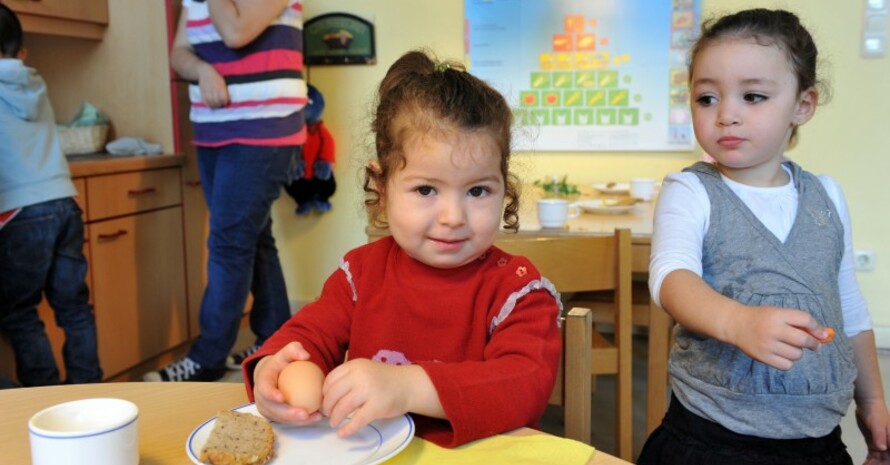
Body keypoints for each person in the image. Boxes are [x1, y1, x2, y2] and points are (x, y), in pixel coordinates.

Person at [240, 50, 563, 447]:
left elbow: (525, 383)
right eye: (426, 189)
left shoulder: (518, 290)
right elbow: (309, 334)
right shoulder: (359, 274)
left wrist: (409, 387)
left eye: (478, 190)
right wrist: (274, 368)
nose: (453, 216)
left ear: (504, 189)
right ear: (382, 187)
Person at [641, 8, 890, 465]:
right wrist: (738, 322)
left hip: (817, 440)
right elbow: (670, 278)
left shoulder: (827, 195)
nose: (726, 116)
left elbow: (849, 307)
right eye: (706, 99)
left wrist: (871, 401)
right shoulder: (691, 190)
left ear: (803, 105)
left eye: (752, 96)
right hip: (711, 438)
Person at [143, 0, 306, 382]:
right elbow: (179, 52)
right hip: (213, 132)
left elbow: (235, 33)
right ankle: (276, 341)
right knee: (254, 237)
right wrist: (201, 69)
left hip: (264, 129)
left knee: (229, 242)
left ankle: (207, 358)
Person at [0, 3, 102, 386]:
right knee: (74, 306)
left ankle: (43, 396)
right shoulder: (34, 82)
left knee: (20, 312)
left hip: (19, 212)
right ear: (22, 53)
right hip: (64, 202)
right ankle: (88, 387)